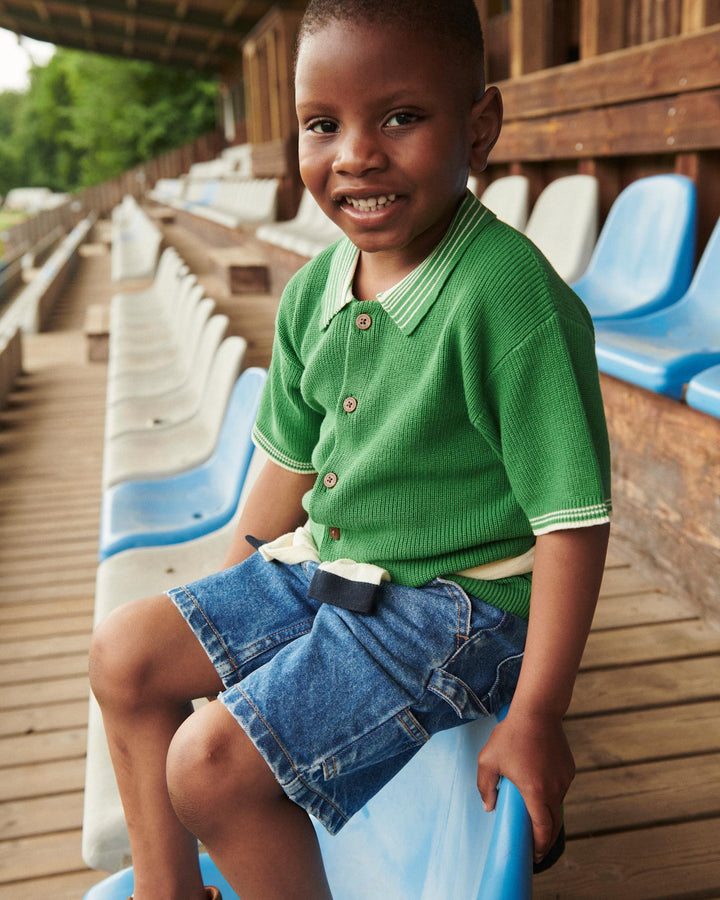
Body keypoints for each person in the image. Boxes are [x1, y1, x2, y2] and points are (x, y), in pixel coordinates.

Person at [88, 1, 612, 897]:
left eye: (400, 117)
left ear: (479, 127)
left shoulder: (509, 297)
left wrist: (537, 714)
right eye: (322, 124)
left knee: (209, 767)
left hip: (458, 603)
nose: (356, 154)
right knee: (125, 657)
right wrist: (227, 610)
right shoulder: (312, 291)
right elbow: (290, 467)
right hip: (335, 564)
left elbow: (572, 527)